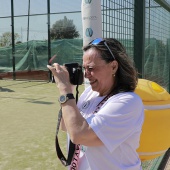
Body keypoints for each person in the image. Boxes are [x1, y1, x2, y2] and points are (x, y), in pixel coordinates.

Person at [47, 38, 144, 170]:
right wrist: (69, 89)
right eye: (84, 68)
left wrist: (64, 90)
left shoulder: (128, 102)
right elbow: (67, 126)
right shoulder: (89, 93)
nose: (86, 75)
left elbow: (79, 135)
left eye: (91, 68)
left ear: (113, 66)